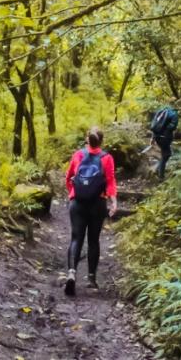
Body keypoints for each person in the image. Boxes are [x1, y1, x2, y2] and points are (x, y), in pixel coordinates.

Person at [64, 127, 117, 296]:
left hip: (78, 202)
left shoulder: (78, 155)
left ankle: (72, 272)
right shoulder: (107, 158)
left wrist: (72, 194)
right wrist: (113, 201)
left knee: (76, 238)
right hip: (97, 203)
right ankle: (91, 278)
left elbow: (68, 176)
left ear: (87, 139)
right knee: (93, 240)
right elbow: (110, 181)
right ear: (101, 141)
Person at [150, 100, 178, 179]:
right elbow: (173, 127)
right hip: (165, 138)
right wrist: (166, 130)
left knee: (166, 154)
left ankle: (158, 170)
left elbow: (155, 126)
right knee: (166, 154)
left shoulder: (160, 112)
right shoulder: (173, 114)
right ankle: (160, 176)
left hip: (157, 137)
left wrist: (152, 138)